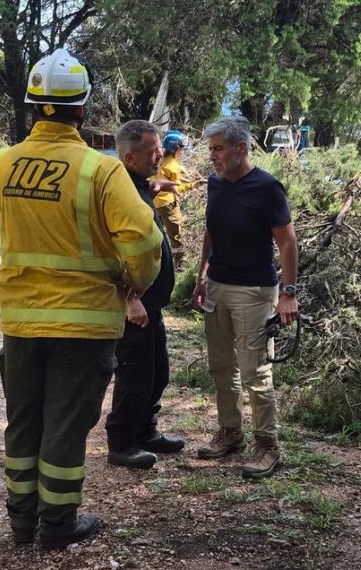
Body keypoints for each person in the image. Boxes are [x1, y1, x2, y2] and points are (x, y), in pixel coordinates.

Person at [0, 48, 163, 549]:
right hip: (83, 325)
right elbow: (145, 241)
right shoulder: (100, 171)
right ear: (81, 109)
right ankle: (57, 526)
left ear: (32, 104)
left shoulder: (1, 165)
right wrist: (134, 283)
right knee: (64, 427)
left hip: (20, 321)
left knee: (23, 422)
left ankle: (21, 522)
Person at [190, 116, 298, 479]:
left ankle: (268, 446)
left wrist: (288, 294)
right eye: (211, 149)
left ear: (242, 148)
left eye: (218, 149)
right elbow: (210, 230)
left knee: (255, 372)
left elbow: (287, 242)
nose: (213, 157)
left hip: (255, 291)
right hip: (218, 286)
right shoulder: (215, 184)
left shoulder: (267, 187)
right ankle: (230, 433)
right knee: (221, 368)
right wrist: (202, 273)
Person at [104, 120, 185, 469]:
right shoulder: (115, 191)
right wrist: (129, 298)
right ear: (128, 156)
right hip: (134, 304)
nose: (159, 155)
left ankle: (145, 431)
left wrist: (157, 185)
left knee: (158, 373)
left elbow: (145, 190)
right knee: (134, 376)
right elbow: (111, 248)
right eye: (152, 151)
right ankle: (121, 443)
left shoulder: (136, 184)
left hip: (153, 302)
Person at [153, 130, 195, 268]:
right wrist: (190, 185)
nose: (182, 152)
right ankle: (180, 262)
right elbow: (176, 188)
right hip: (168, 204)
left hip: (156, 204)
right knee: (176, 234)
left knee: (158, 233)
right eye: (181, 149)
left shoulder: (162, 162)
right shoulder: (173, 166)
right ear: (175, 149)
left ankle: (158, 261)